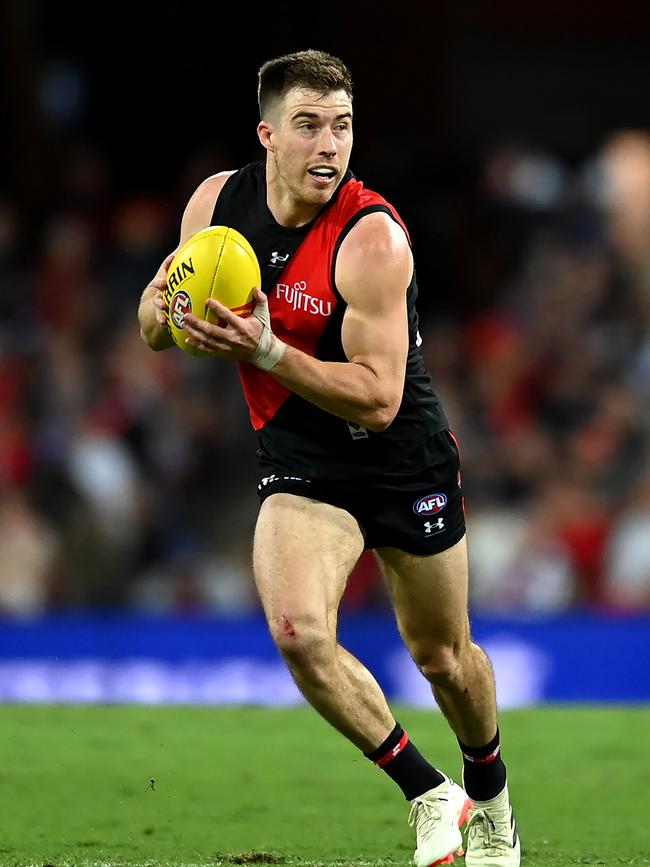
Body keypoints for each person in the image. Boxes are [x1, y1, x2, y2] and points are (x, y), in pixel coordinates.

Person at [138, 49, 521, 867]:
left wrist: (268, 351)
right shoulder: (218, 204)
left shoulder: (372, 236)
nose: (329, 145)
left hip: (402, 458)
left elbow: (380, 397)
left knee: (444, 658)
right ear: (267, 134)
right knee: (295, 627)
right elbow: (149, 316)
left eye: (342, 127)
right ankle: (429, 792)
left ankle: (490, 795)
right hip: (304, 463)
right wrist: (179, 319)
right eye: (309, 125)